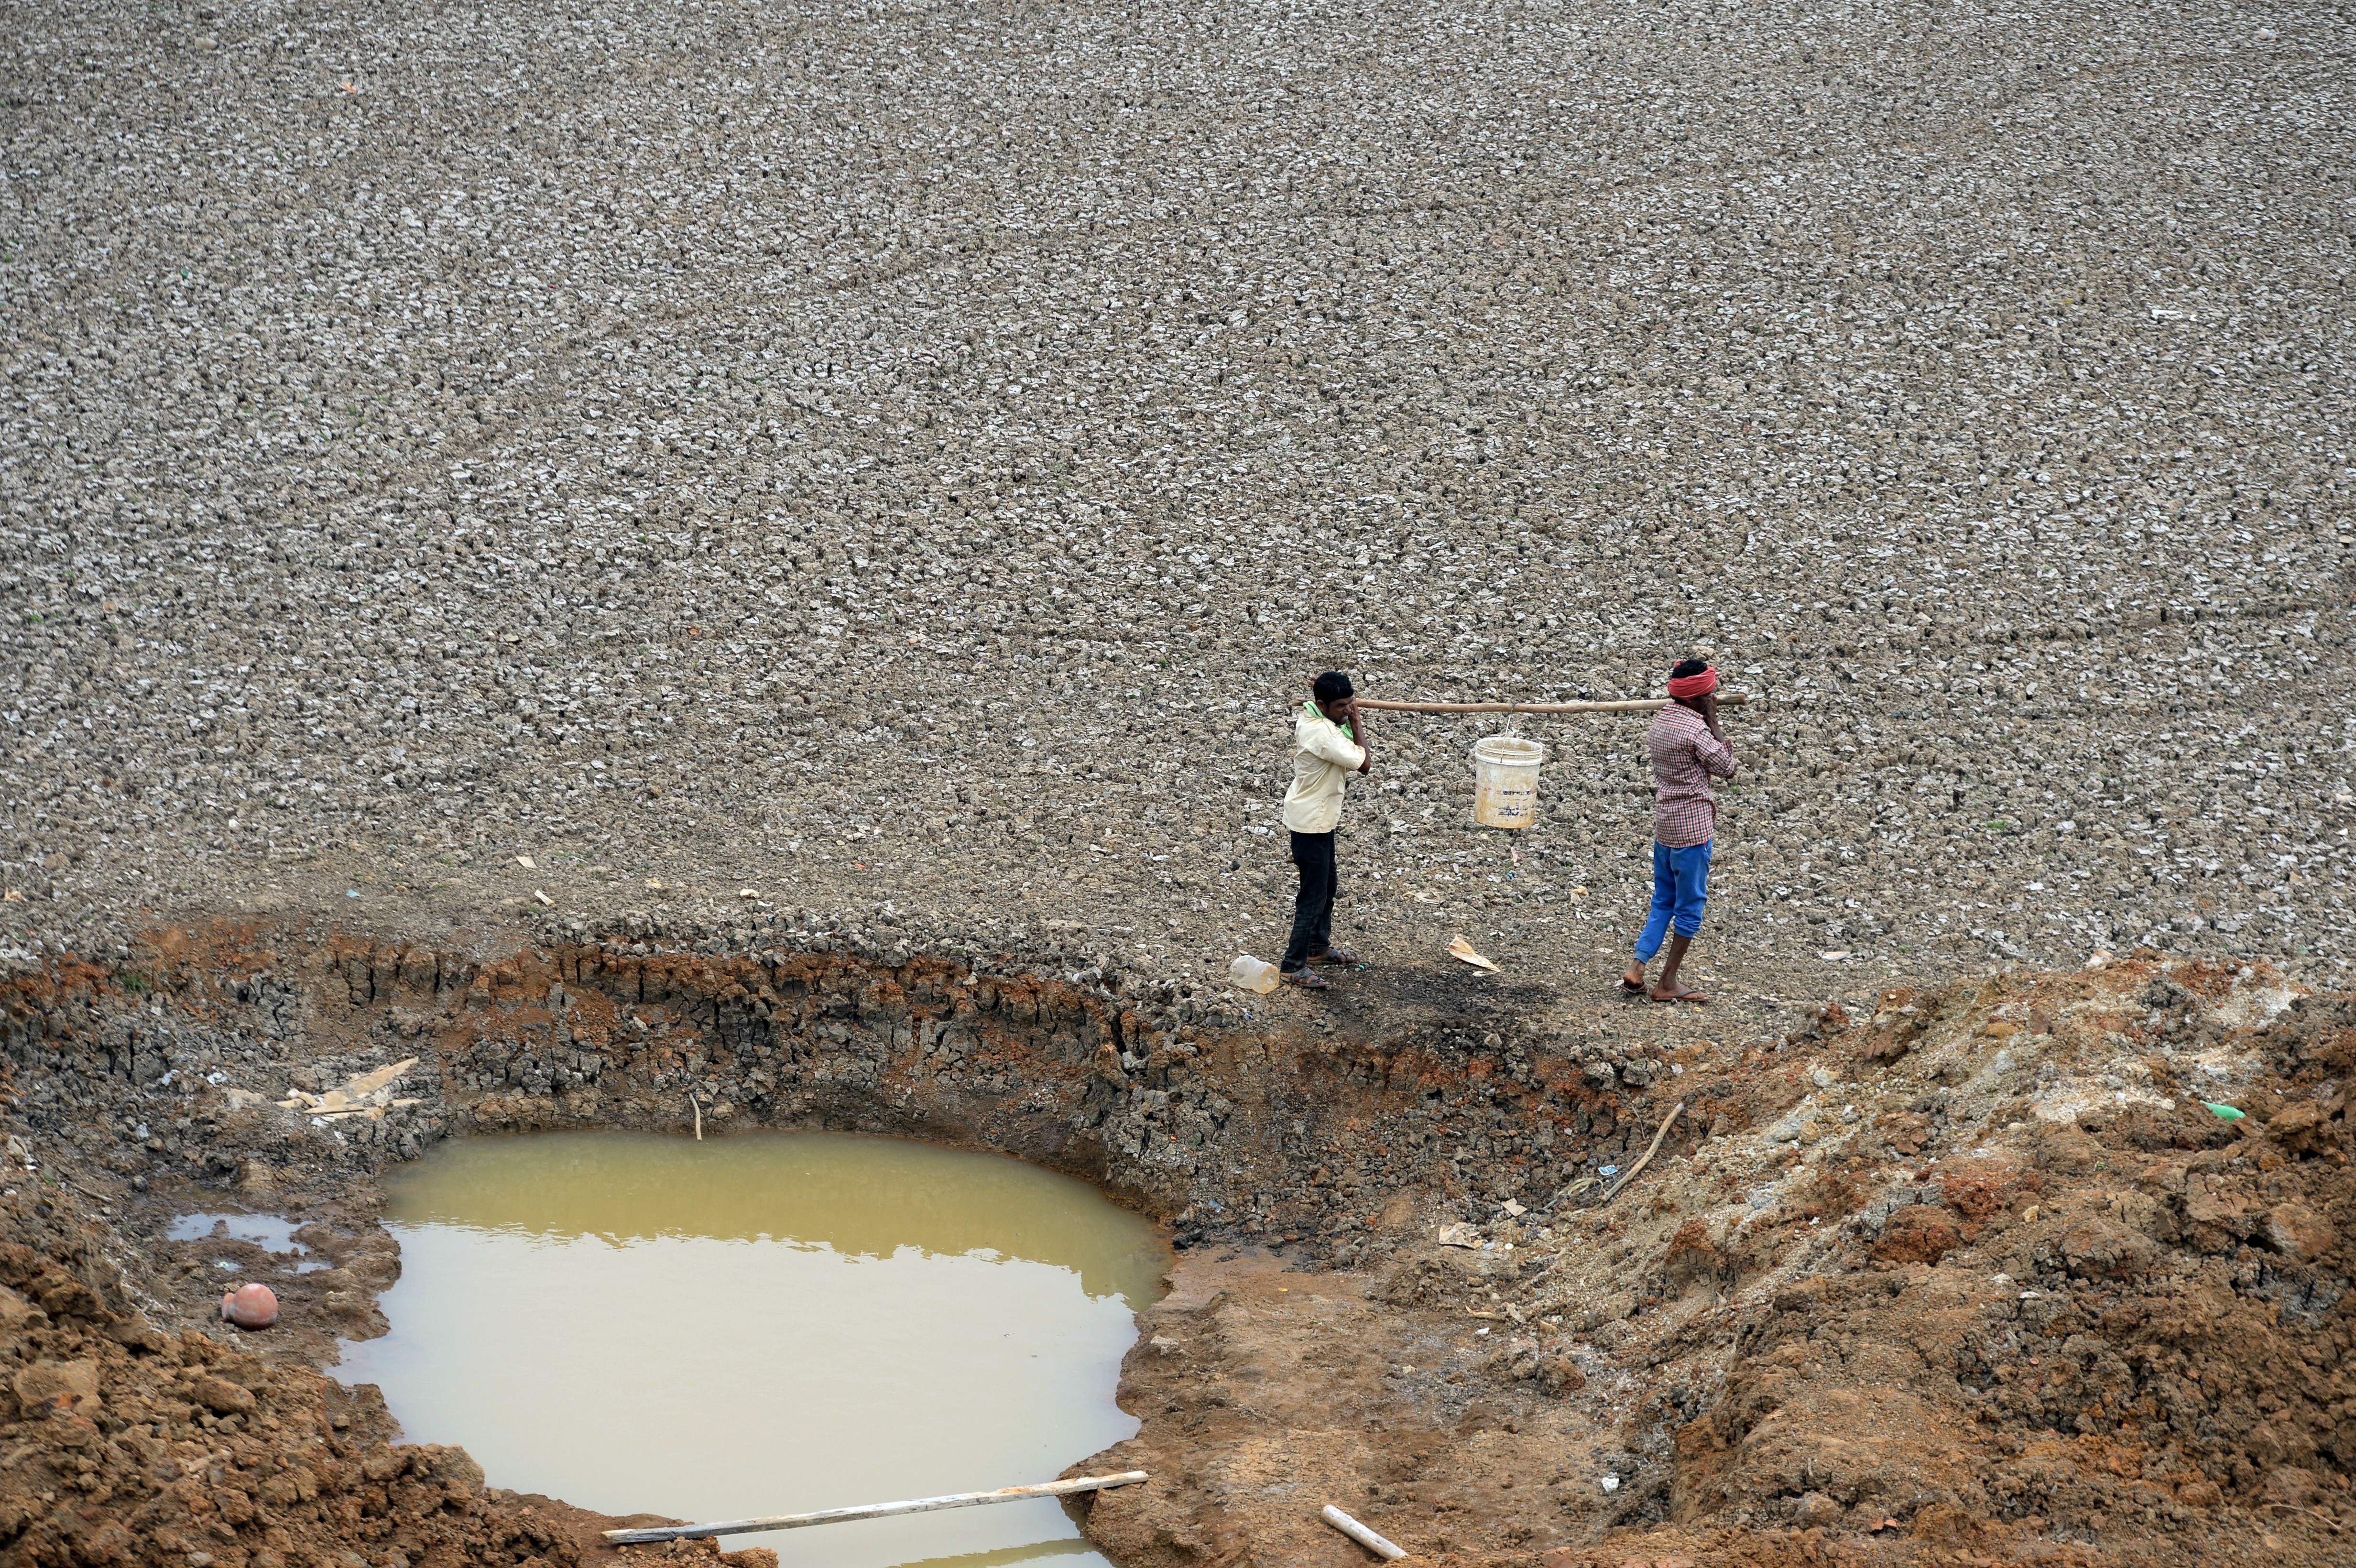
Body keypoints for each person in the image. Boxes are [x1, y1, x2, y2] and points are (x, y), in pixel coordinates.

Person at [1621, 658, 1734, 1004]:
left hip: (1666, 826)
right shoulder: (1697, 732)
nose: (1714, 699)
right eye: (1711, 695)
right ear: (1699, 699)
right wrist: (1714, 723)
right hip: (1693, 830)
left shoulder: (1661, 723)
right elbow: (1727, 768)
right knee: (1690, 906)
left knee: (1663, 899)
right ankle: (1668, 982)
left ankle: (1637, 968)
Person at [1278, 671, 1370, 990]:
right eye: (1342, 707)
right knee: (1313, 897)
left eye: (1350, 704)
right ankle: (1293, 965)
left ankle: (1318, 948)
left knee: (1328, 886)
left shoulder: (1313, 715)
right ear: (1322, 705)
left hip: (1319, 819)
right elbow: (1364, 764)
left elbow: (1332, 713)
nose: (1347, 711)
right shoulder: (1322, 735)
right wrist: (1357, 724)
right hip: (1311, 824)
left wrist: (1341, 705)